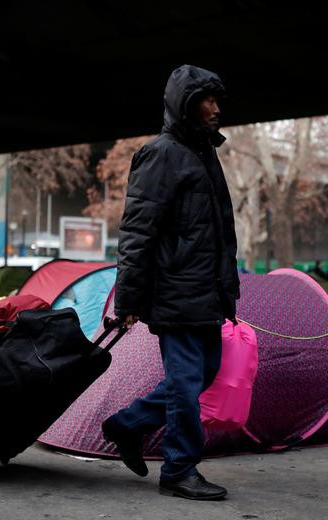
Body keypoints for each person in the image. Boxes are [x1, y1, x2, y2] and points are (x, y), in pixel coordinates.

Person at [101, 64, 240, 501]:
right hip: (176, 292)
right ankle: (179, 469)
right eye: (207, 100)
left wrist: (226, 288)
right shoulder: (160, 154)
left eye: (217, 100)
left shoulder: (203, 153)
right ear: (186, 105)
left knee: (205, 372)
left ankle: (126, 425)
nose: (216, 109)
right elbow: (137, 232)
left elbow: (216, 231)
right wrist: (128, 300)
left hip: (206, 292)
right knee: (184, 384)